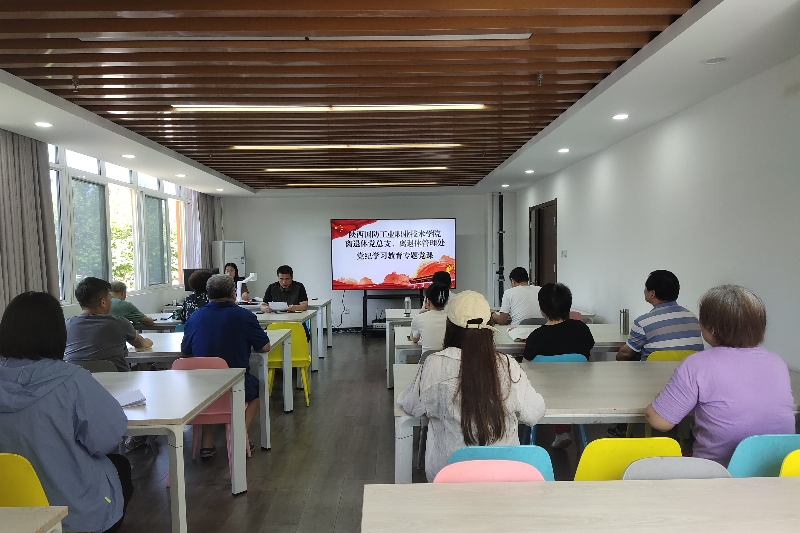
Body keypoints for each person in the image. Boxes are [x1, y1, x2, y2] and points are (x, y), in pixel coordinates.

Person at [0, 292, 133, 533]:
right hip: (73, 515)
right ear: (58, 333)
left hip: (7, 513)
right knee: (120, 466)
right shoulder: (72, 380)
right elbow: (107, 439)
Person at [398, 290, 546, 482]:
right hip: (503, 478)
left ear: (450, 326)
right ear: (489, 327)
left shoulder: (434, 364)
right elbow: (534, 412)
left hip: (449, 477)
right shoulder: (508, 365)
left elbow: (412, 406)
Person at [645, 285, 795, 466]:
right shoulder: (776, 362)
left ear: (712, 328)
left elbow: (659, 421)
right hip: (780, 472)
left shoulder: (697, 364)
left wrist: (661, 403)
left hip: (718, 474)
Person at [181, 274, 271, 457]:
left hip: (201, 387)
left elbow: (185, 351)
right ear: (233, 293)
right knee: (257, 389)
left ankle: (206, 442)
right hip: (235, 385)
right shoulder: (244, 316)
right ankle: (239, 435)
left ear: (208, 294)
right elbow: (264, 347)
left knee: (208, 391)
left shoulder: (195, 316)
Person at [523, 283, 595, 449]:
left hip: (543, 395)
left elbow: (526, 367)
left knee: (550, 381)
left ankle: (559, 432)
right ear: (568, 306)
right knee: (564, 381)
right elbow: (587, 356)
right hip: (579, 391)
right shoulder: (582, 330)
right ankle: (563, 432)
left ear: (542, 310)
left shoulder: (536, 336)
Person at [65, 277, 153, 372]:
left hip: (78, 379)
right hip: (118, 379)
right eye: (109, 298)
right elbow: (141, 344)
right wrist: (149, 341)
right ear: (103, 302)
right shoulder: (120, 323)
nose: (111, 301)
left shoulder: (66, 325)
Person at [616, 270, 704, 362]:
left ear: (652, 294)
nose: (644, 290)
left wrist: (617, 358)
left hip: (653, 371)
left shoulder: (643, 323)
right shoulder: (693, 318)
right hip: (688, 370)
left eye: (645, 288)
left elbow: (624, 354)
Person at [410, 282, 450, 356]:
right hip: (449, 361)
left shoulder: (419, 318)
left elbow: (414, 339)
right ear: (447, 302)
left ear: (427, 301)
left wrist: (420, 313)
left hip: (428, 361)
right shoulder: (453, 319)